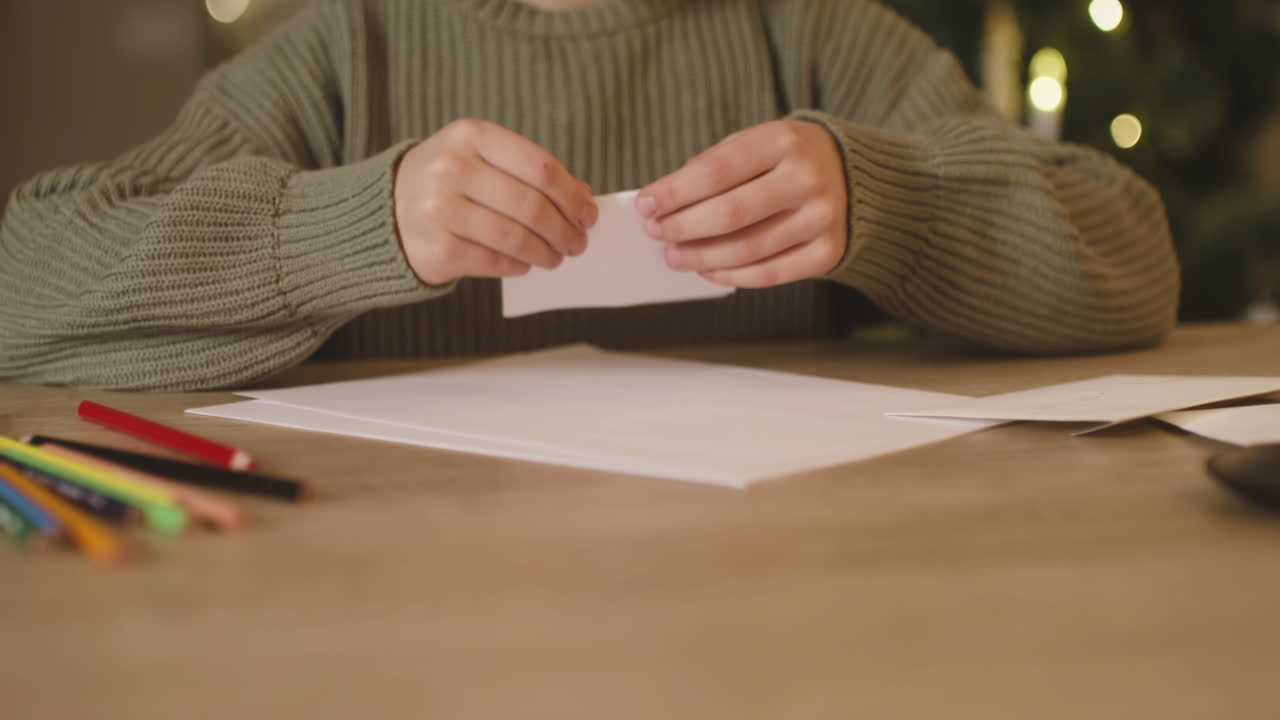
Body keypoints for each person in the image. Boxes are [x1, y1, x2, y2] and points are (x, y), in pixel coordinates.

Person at [0, 0, 1180, 391]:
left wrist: (896, 204)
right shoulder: (347, 46)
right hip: (410, 604)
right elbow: (24, 276)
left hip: (778, 604)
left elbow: (1132, 258)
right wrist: (344, 229)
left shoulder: (809, 30)